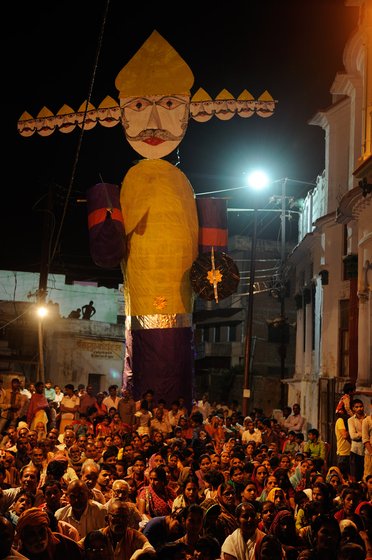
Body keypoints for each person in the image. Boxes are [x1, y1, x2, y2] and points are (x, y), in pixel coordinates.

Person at [16, 507, 83, 560]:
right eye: (31, 534)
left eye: (41, 532)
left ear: (48, 531)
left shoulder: (64, 544)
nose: (38, 538)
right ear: (23, 537)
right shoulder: (18, 556)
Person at [347, 399, 366, 483]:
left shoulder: (368, 419)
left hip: (367, 451)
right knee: (355, 476)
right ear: (353, 408)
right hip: (355, 451)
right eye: (357, 407)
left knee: (365, 475)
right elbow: (353, 436)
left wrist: (359, 434)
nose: (359, 409)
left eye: (361, 406)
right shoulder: (351, 420)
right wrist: (365, 435)